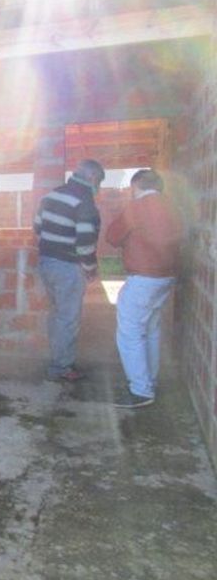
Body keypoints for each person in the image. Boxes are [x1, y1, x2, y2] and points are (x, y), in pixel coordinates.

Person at [106, 169, 183, 408]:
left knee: (129, 333)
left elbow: (112, 236)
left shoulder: (138, 207)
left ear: (136, 185)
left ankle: (140, 390)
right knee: (150, 330)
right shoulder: (172, 206)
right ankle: (149, 381)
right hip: (166, 276)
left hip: (143, 276)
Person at [33, 159, 105, 382]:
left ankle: (56, 358)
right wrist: (90, 269)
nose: (99, 187)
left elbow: (37, 228)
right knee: (68, 318)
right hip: (68, 267)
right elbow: (85, 242)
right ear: (92, 177)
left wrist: (52, 247)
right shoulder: (84, 201)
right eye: (99, 182)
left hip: (46, 262)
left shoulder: (50, 195)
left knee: (56, 314)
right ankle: (61, 367)